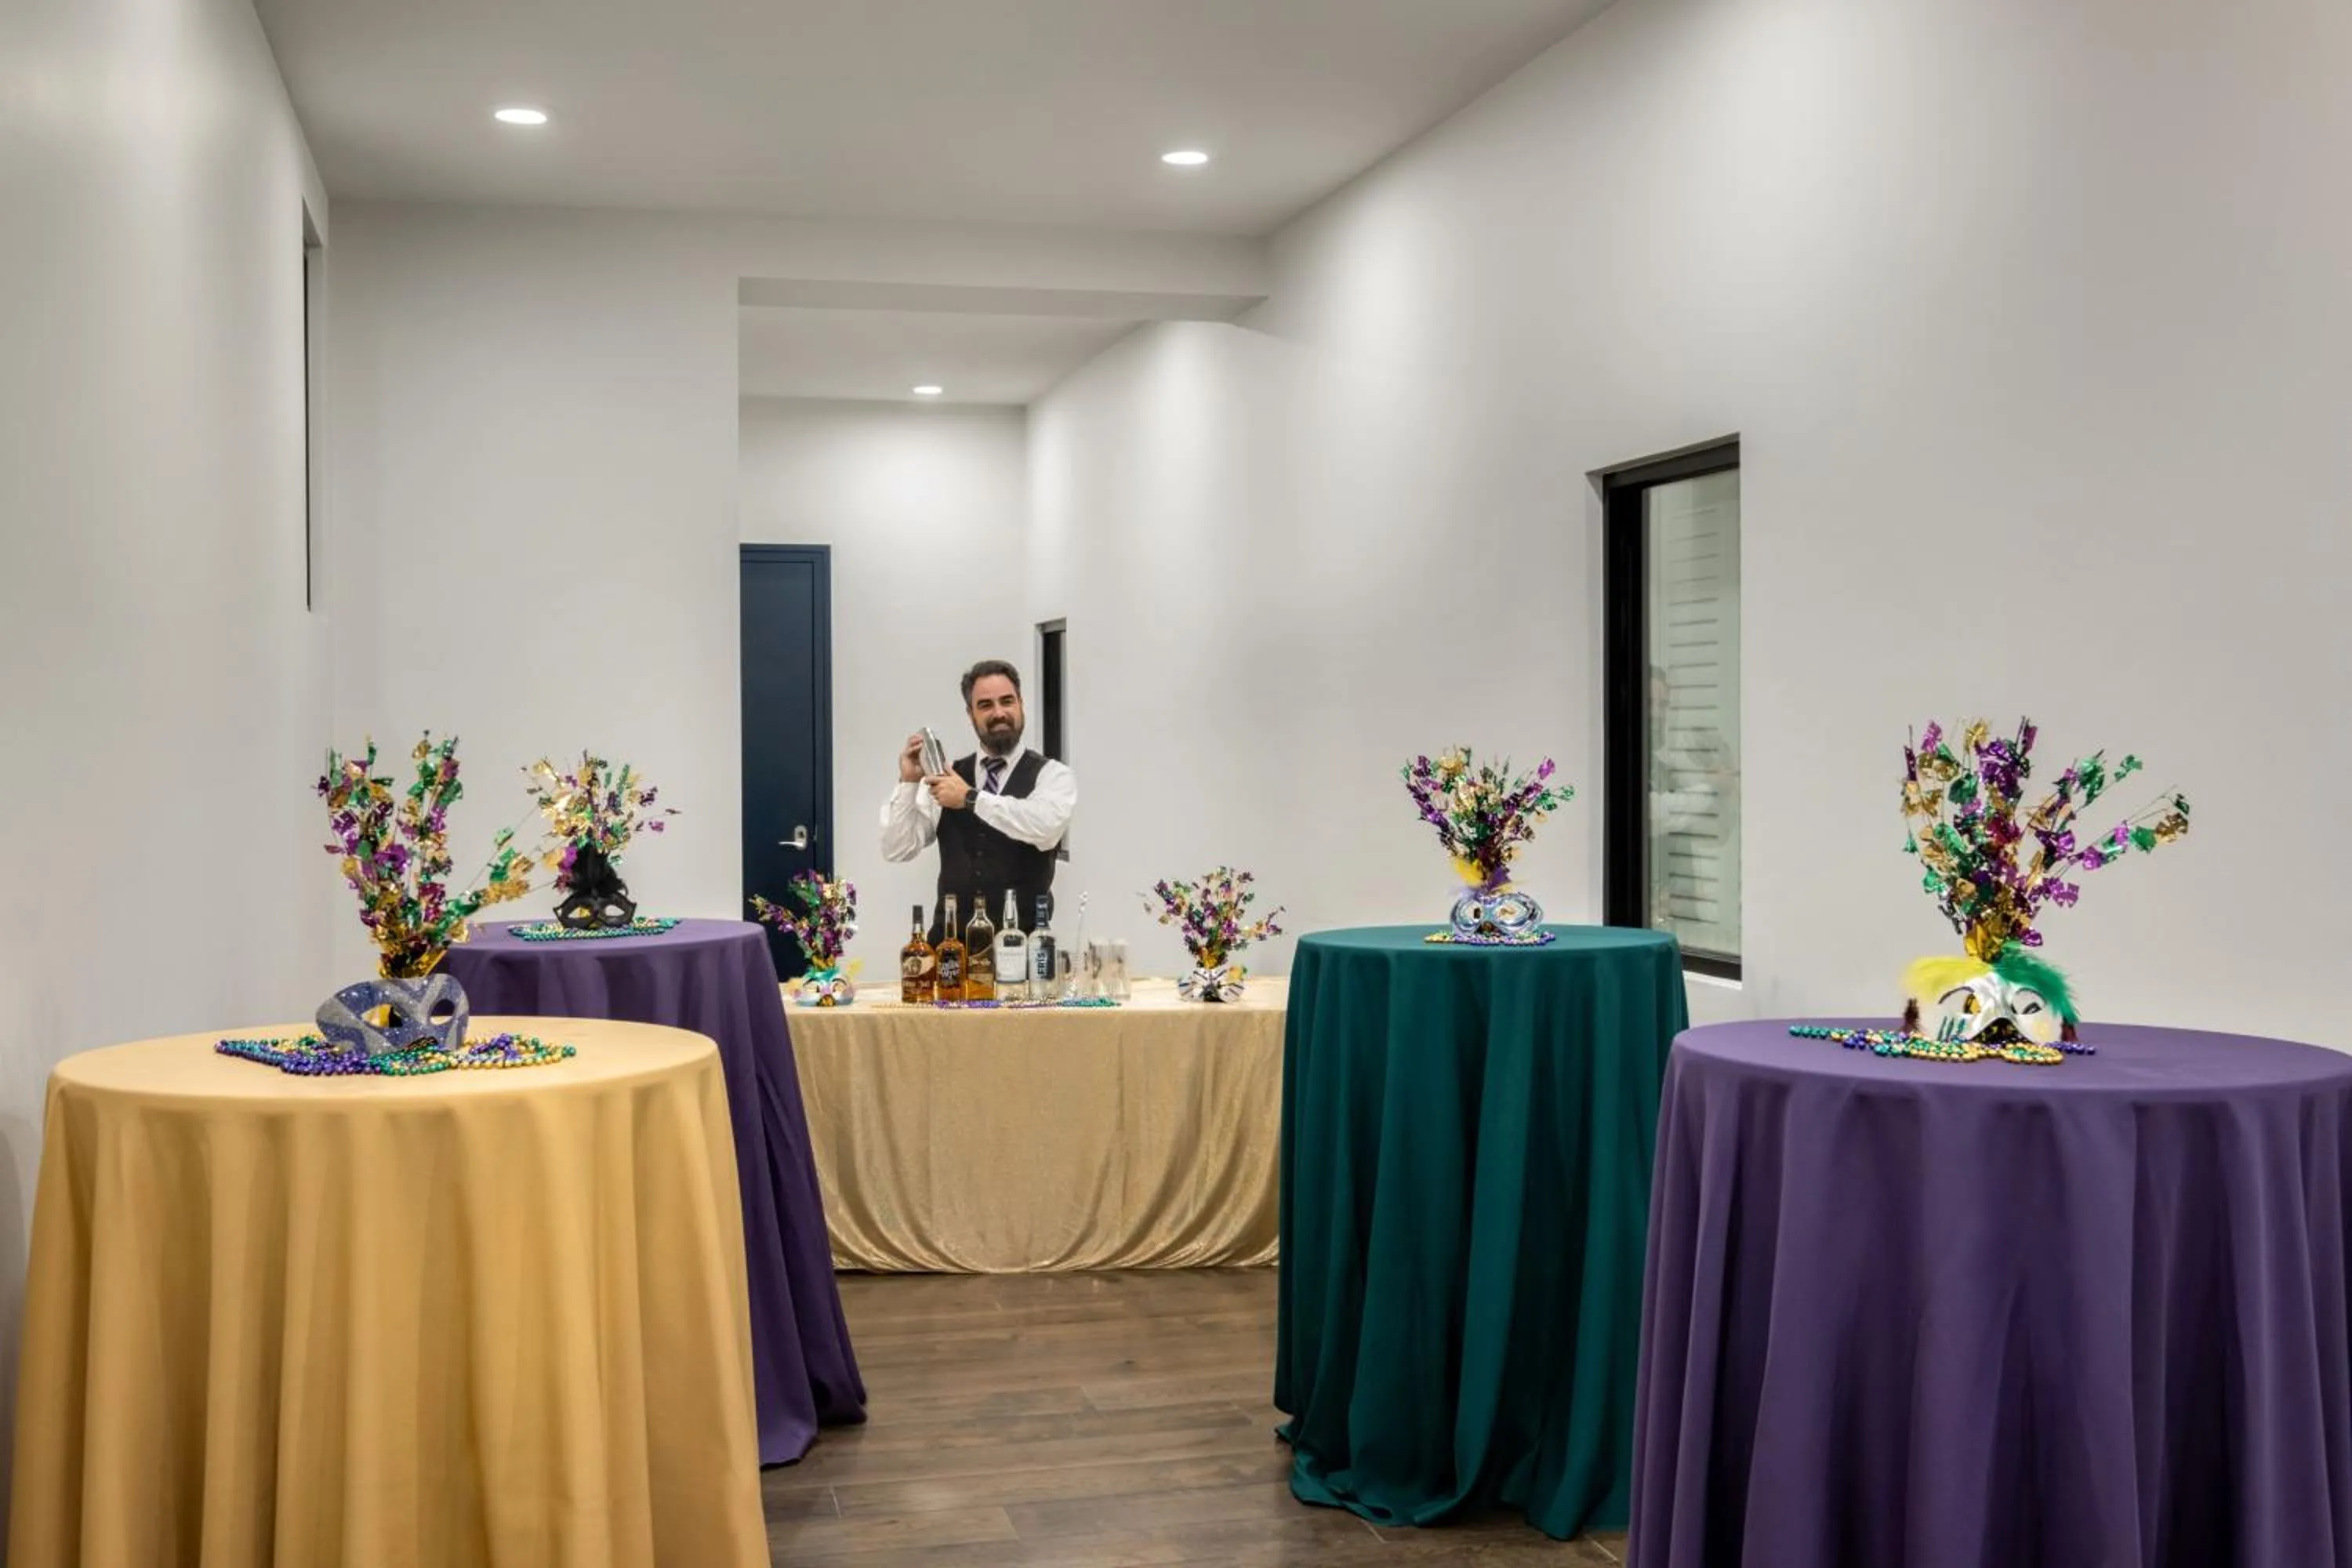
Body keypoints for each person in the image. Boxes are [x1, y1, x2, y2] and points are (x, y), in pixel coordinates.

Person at [880, 659, 1076, 938]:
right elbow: (897, 850)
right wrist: (909, 783)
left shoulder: (1054, 775)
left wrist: (970, 798)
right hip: (951, 952)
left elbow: (1044, 828)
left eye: (1007, 701)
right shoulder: (949, 777)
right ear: (971, 714)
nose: (999, 713)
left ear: (1021, 704)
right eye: (985, 705)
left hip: (1025, 951)